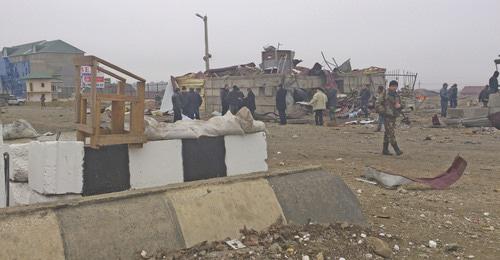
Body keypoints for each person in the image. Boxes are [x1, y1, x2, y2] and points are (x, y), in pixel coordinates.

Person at [378, 80, 403, 156]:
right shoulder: (385, 94)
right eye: (394, 86)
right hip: (387, 116)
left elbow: (400, 104)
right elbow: (378, 104)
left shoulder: (396, 95)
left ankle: (385, 150)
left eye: (396, 86)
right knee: (391, 133)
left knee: (387, 133)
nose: (395, 88)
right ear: (390, 86)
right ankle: (397, 149)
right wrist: (383, 111)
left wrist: (400, 106)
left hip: (393, 116)